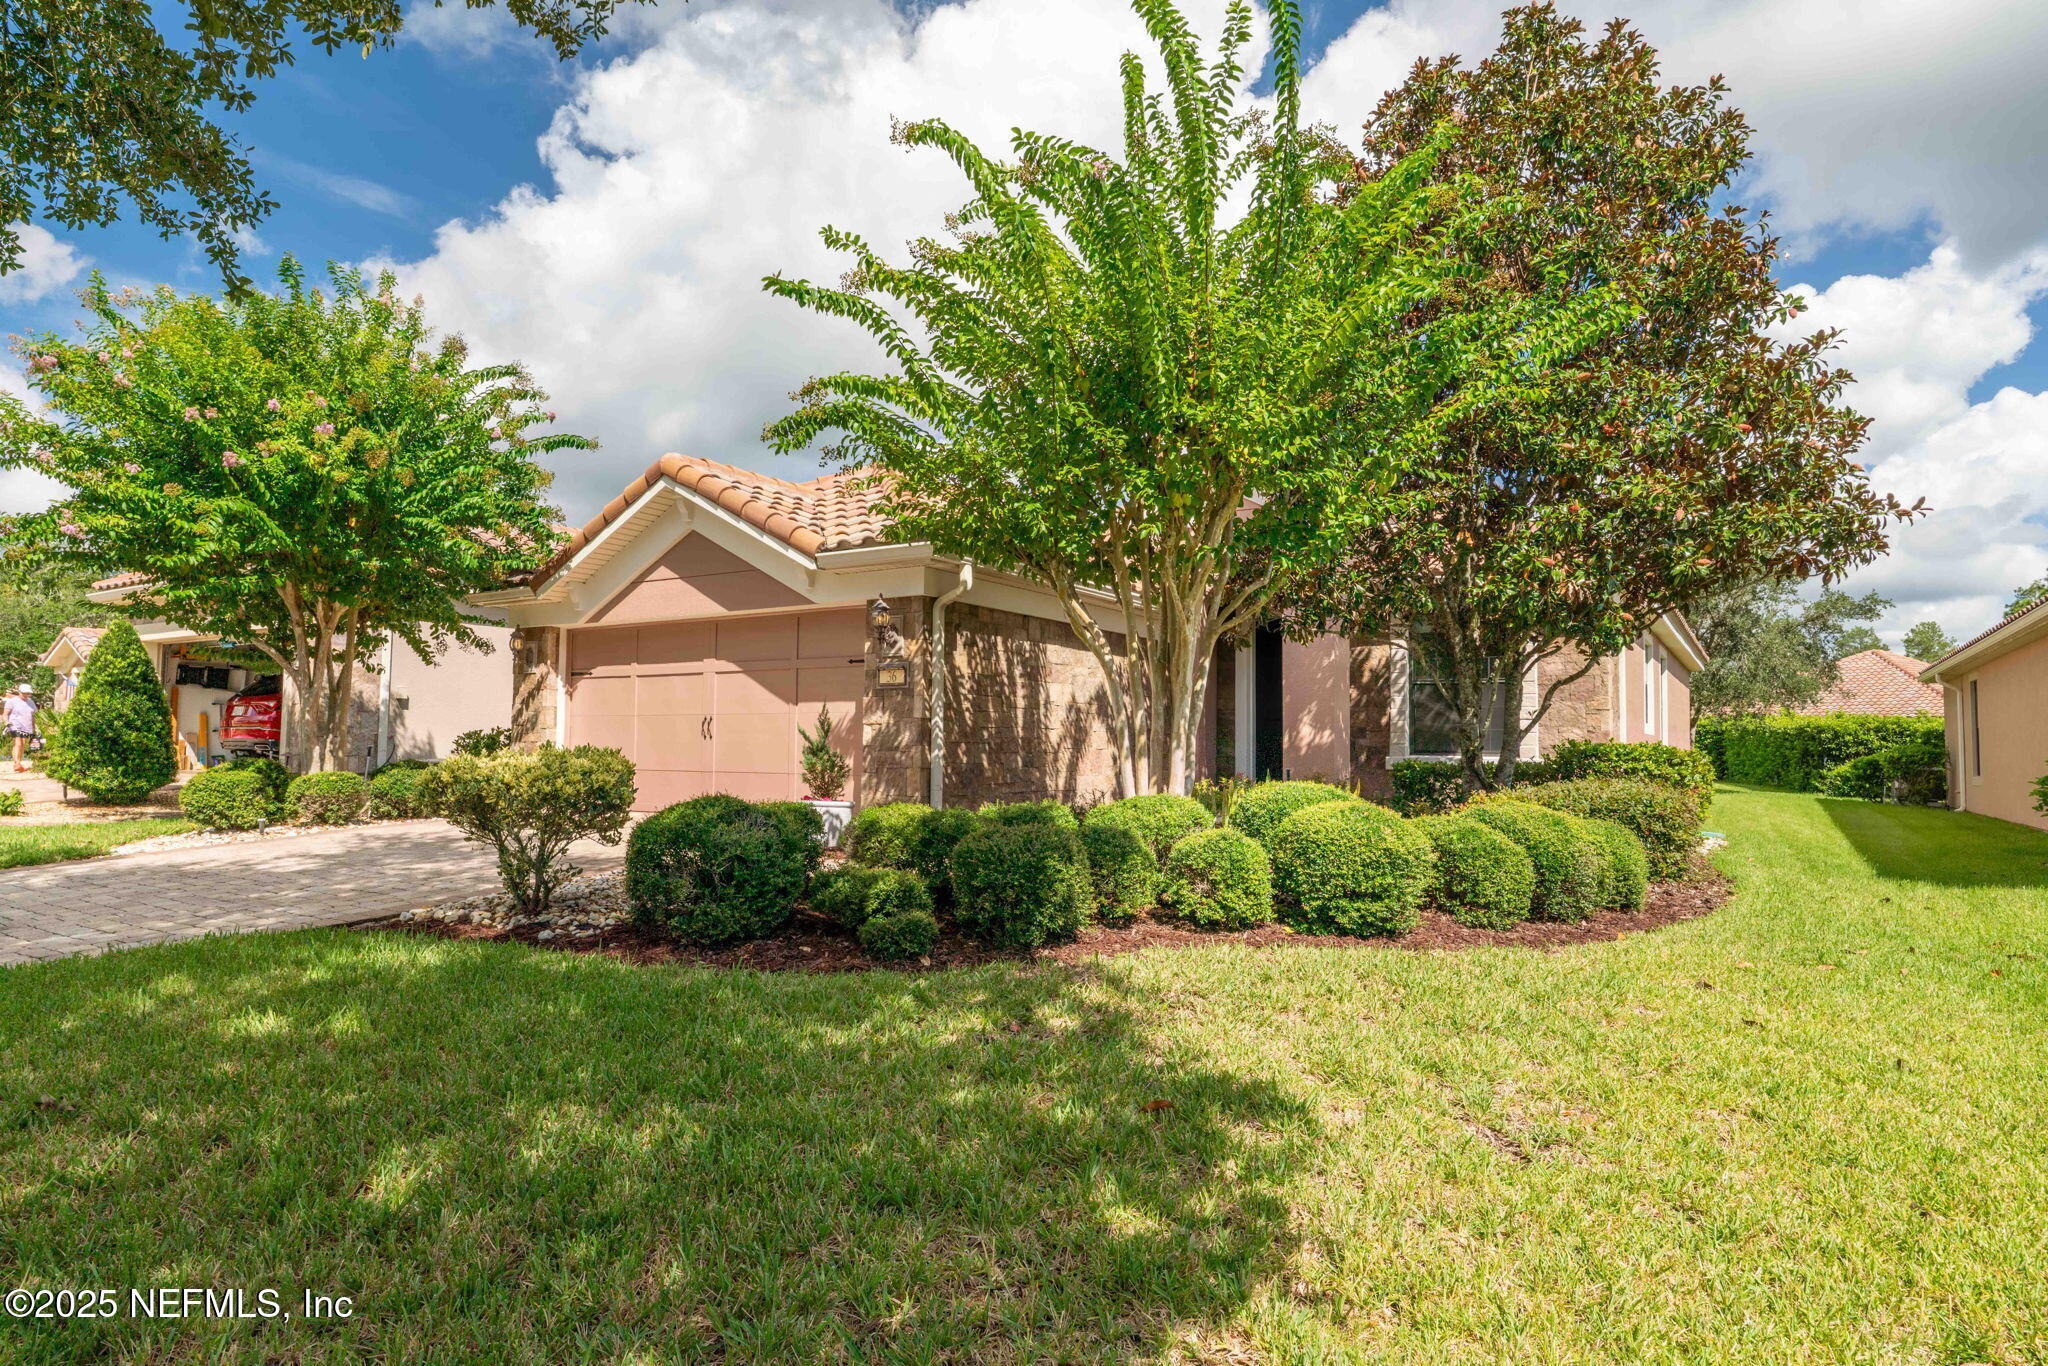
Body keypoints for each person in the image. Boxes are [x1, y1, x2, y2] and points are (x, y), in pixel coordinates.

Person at [5, 683, 36, 772]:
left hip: (26, 726)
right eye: (24, 693)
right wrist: (7, 723)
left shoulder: (31, 702)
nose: (26, 695)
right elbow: (5, 714)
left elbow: (33, 716)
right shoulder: (12, 701)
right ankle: (17, 763)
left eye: (28, 693)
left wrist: (34, 728)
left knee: (22, 744)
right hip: (14, 725)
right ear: (19, 692)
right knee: (18, 743)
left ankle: (18, 763)